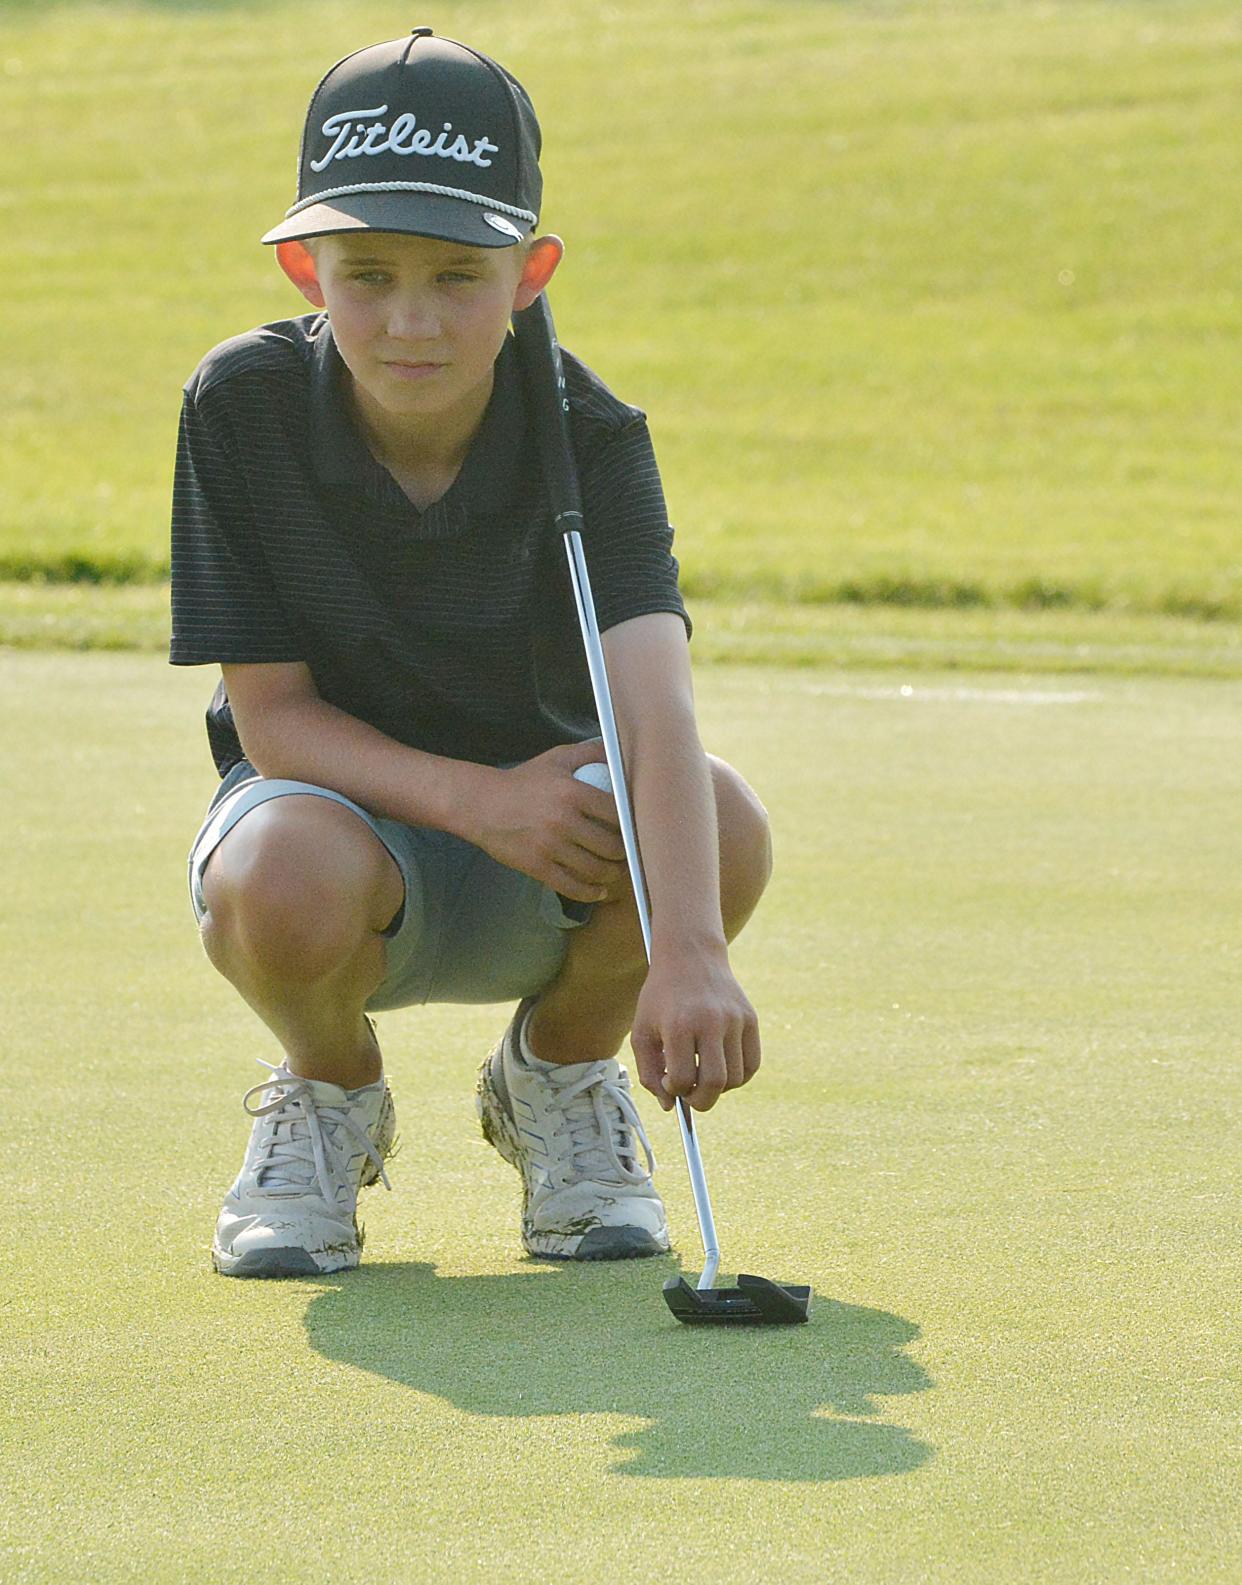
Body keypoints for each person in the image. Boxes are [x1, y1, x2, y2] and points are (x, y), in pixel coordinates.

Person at [170, 28, 772, 1280]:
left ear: (531, 272)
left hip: (553, 848)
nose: (410, 320)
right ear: (302, 267)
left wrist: (695, 953)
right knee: (274, 870)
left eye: (458, 275)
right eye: (367, 272)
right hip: (337, 840)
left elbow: (656, 710)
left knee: (718, 818)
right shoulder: (238, 406)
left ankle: (558, 1077)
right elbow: (273, 721)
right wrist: (475, 799)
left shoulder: (590, 433)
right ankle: (328, 1093)